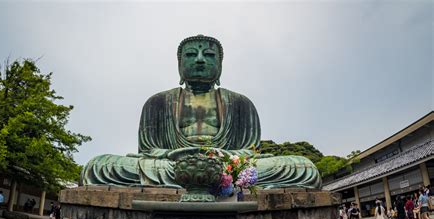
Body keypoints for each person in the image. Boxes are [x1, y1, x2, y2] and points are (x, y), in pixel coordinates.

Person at [80, 35, 321, 189]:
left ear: (220, 64)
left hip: (226, 166)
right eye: (190, 55)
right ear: (179, 64)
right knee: (98, 167)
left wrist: (225, 158)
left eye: (208, 55)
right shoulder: (157, 102)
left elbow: (250, 151)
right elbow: (148, 151)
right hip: (172, 166)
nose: (199, 60)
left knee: (302, 167)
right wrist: (177, 155)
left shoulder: (240, 103)